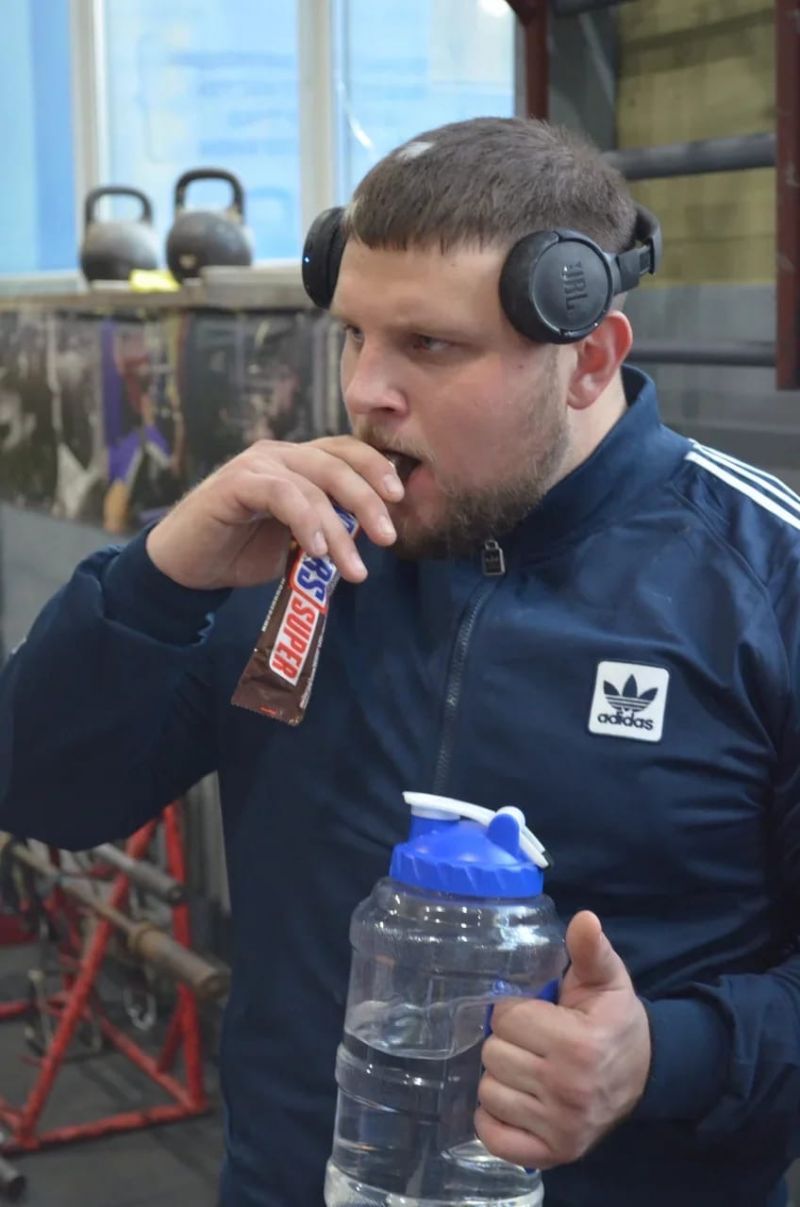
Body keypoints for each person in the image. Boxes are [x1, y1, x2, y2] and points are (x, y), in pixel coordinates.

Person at [1, 116, 799, 1207]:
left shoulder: (763, 584)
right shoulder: (291, 550)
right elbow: (41, 791)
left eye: (428, 345)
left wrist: (663, 1056)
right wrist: (158, 579)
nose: (366, 389)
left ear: (589, 361)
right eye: (353, 335)